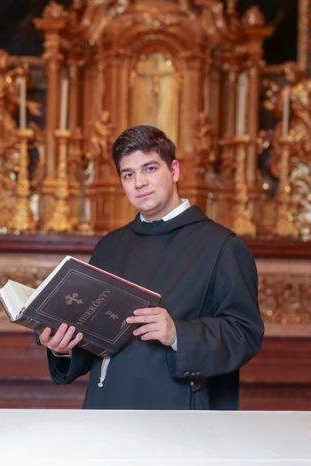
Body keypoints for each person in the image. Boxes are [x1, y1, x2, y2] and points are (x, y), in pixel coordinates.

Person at [39, 125, 263, 409]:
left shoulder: (222, 246)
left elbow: (244, 334)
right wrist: (64, 348)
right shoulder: (110, 246)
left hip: (177, 408)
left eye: (150, 168)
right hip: (108, 405)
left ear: (174, 171)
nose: (139, 183)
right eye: (128, 174)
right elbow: (94, 332)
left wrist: (178, 334)